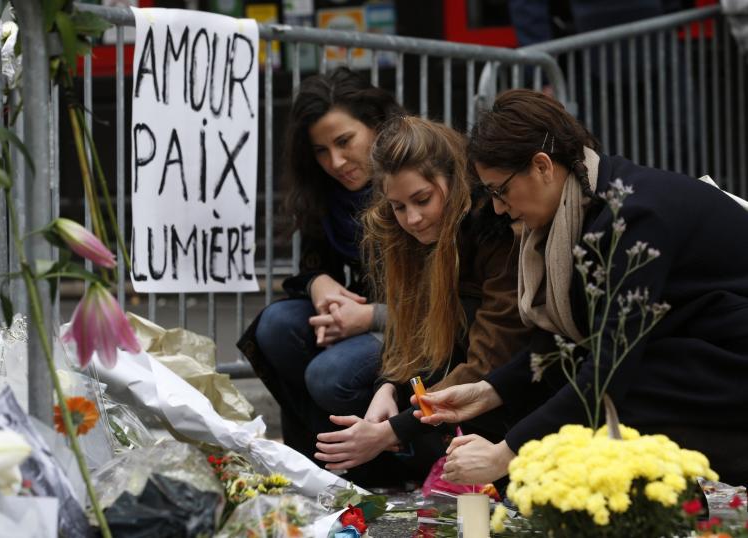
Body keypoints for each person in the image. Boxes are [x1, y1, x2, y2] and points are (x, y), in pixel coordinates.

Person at [415, 89, 748, 487]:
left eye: (500, 190)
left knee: (610, 399)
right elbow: (570, 340)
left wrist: (505, 454)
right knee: (566, 394)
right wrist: (488, 391)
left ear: (542, 166)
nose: (499, 208)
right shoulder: (588, 204)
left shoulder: (631, 216)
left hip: (730, 359)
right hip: (699, 350)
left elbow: (609, 366)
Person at [313, 116, 531, 482]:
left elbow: (489, 360)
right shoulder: (399, 234)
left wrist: (394, 429)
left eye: (422, 199)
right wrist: (386, 386)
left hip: (505, 393)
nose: (412, 219)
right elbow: (405, 326)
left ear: (454, 182)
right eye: (399, 206)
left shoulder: (495, 232)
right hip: (447, 384)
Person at [236, 68, 404, 468]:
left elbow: (453, 301)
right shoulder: (328, 193)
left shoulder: (414, 179)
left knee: (328, 374)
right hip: (363, 318)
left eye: (344, 141)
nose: (336, 161)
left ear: (378, 125)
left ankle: (376, 459)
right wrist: (320, 285)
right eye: (321, 151)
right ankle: (316, 454)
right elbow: (311, 267)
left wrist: (370, 316)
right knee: (276, 325)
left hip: (422, 331)